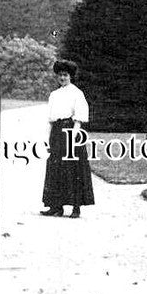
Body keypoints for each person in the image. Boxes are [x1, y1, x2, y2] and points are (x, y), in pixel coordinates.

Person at [41, 59, 95, 218]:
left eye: (65, 75)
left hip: (71, 131)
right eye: (60, 75)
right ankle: (55, 207)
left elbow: (79, 118)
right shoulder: (54, 95)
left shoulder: (77, 94)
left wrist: (74, 136)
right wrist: (47, 139)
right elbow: (50, 120)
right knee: (55, 168)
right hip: (57, 132)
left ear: (70, 76)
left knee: (73, 168)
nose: (62, 78)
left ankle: (76, 207)